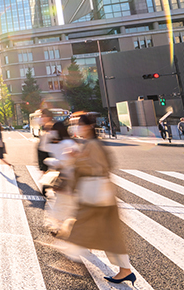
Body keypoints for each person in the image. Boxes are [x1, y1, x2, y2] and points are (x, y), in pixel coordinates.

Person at [59, 114, 136, 285]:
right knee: (110, 233)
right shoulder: (89, 144)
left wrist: (76, 159)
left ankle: (71, 259)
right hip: (100, 197)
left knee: (83, 227)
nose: (76, 128)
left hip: (97, 198)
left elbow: (99, 167)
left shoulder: (93, 144)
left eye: (78, 125)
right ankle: (125, 270)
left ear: (88, 127)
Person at [42, 121, 78, 236]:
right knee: (65, 204)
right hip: (68, 178)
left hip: (66, 178)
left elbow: (63, 161)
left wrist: (49, 161)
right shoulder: (66, 142)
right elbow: (44, 147)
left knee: (61, 204)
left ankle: (58, 228)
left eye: (53, 130)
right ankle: (63, 227)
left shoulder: (66, 143)